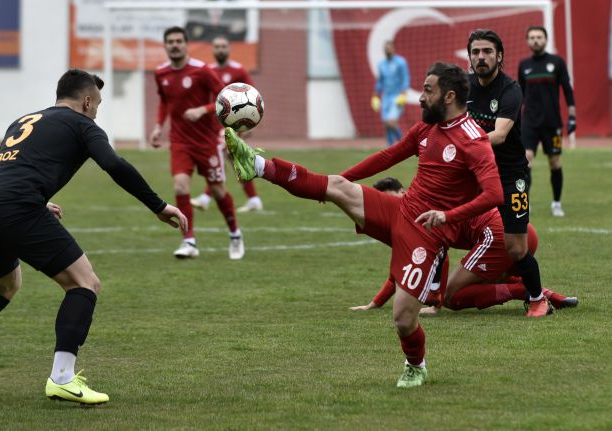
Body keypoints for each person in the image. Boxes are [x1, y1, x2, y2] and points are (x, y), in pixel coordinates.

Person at [226, 62, 504, 388]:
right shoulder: (426, 129)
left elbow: (495, 193)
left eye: (428, 91)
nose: (420, 98)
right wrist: (345, 176)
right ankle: (257, 165)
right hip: (400, 210)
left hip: (427, 234)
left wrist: (447, 216)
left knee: (402, 318)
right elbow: (387, 157)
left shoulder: (473, 140)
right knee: (336, 187)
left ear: (449, 96)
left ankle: (416, 365)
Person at [0, 69, 187, 405]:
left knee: (4, 287)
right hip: (16, 206)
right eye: (96, 104)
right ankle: (63, 378)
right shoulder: (83, 124)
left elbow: (8, 166)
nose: (97, 110)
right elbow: (114, 164)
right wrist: (157, 205)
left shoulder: (26, 119)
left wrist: (36, 198)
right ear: (86, 101)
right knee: (85, 283)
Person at [349, 178, 578, 313]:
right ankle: (552, 296)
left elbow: (440, 255)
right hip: (520, 232)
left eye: (391, 199)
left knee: (450, 297)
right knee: (491, 279)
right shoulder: (416, 205)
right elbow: (404, 265)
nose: (389, 205)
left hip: (496, 235)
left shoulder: (417, 212)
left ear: (403, 192)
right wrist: (376, 303)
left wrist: (438, 302)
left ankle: (525, 292)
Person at [466, 29, 552, 318]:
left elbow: (500, 135)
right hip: (473, 173)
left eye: (487, 51)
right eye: (476, 52)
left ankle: (539, 298)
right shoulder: (463, 88)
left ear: (499, 56)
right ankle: (435, 295)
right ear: (469, 57)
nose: (481, 57)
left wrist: (460, 144)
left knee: (516, 247)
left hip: (510, 176)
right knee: (439, 227)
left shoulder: (510, 89)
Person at [151, 27, 245, 260]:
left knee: (217, 191)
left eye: (178, 41)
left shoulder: (201, 70)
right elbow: (165, 101)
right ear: (165, 46)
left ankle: (235, 234)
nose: (174, 45)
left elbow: (224, 98)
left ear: (186, 44)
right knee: (181, 187)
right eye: (170, 41)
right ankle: (189, 241)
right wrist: (157, 126)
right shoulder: (161, 73)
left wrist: (202, 110)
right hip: (180, 141)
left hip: (206, 142)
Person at [191, 35, 264, 213]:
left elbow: (252, 96)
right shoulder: (209, 70)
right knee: (233, 159)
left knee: (221, 154)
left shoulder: (238, 70)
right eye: (217, 46)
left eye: (223, 46)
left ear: (229, 49)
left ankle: (206, 197)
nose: (220, 49)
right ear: (213, 50)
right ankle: (253, 199)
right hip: (215, 124)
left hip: (234, 124)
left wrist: (248, 126)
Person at [518, 26, 576, 217]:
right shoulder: (523, 65)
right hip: (529, 123)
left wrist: (572, 115)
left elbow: (567, 89)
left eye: (539, 37)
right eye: (532, 37)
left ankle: (556, 203)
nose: (536, 40)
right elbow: (520, 95)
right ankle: (524, 202)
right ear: (527, 41)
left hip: (553, 123)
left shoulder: (557, 62)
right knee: (526, 161)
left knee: (555, 162)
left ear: (546, 39)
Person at [371, 41, 410, 147]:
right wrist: (375, 95)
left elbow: (405, 78)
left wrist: (403, 93)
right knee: (386, 125)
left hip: (397, 96)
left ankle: (404, 144)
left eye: (389, 48)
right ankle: (390, 146)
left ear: (393, 49)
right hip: (386, 97)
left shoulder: (401, 62)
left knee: (391, 122)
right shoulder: (381, 64)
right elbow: (380, 81)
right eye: (385, 48)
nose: (387, 50)